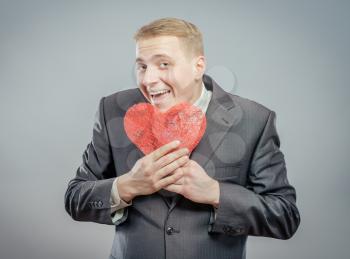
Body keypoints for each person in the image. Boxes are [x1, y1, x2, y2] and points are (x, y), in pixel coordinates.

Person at [64, 17, 300, 259]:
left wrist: (216, 193)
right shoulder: (112, 109)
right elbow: (75, 198)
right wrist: (128, 185)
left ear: (198, 66)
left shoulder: (254, 120)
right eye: (142, 66)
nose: (148, 79)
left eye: (163, 64)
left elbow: (285, 217)